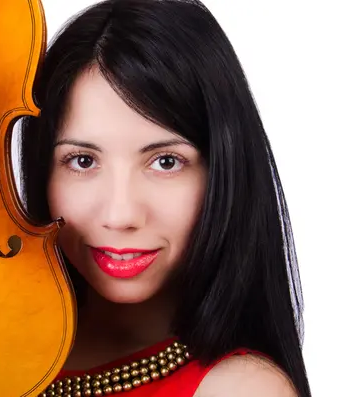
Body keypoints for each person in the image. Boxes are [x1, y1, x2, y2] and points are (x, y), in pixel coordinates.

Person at [18, 0, 311, 396]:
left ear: (221, 173)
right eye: (83, 160)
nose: (121, 215)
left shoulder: (240, 388)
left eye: (166, 162)